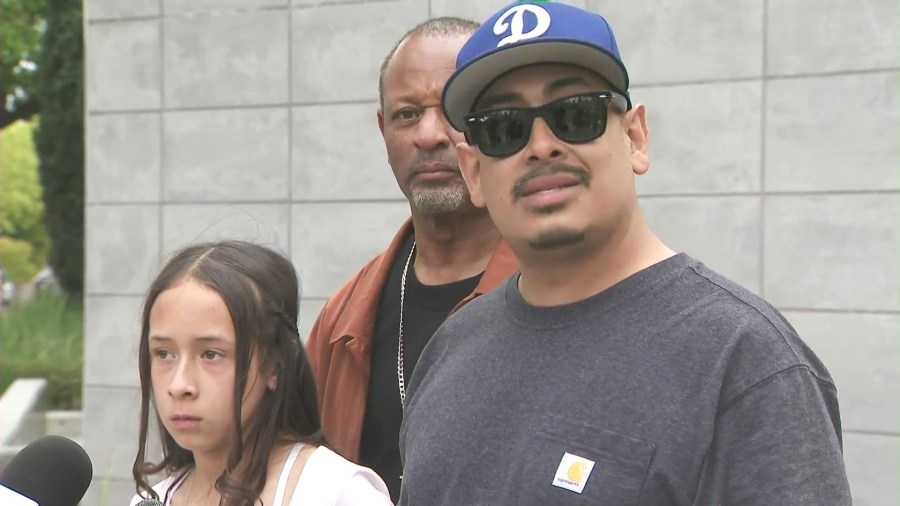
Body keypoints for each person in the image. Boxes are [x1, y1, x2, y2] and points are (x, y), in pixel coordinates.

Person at [398, 2, 853, 505]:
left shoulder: (744, 361)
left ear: (635, 137)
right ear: (475, 172)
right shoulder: (450, 348)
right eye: (504, 128)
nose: (542, 145)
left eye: (576, 114)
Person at [305, 17, 520, 502]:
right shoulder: (344, 319)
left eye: (453, 112)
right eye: (406, 115)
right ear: (383, 130)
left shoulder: (556, 295)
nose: (429, 135)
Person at [130, 240, 392, 506]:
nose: (179, 385)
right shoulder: (153, 499)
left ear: (274, 364)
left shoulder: (336, 492)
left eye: (211, 354)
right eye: (164, 354)